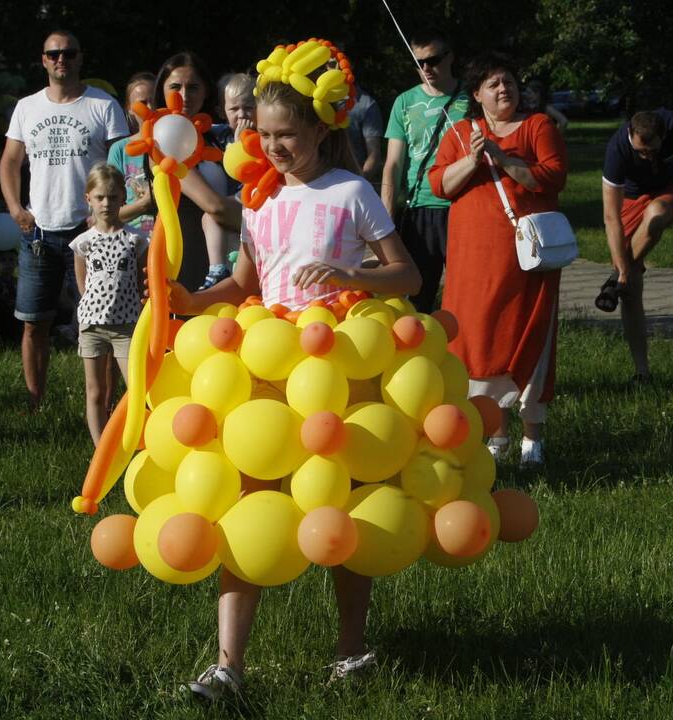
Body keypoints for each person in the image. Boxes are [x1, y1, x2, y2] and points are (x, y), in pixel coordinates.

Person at [168, 58, 421, 703]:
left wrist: (349, 278)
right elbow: (247, 281)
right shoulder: (259, 197)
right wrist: (194, 302)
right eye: (266, 134)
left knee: (341, 502)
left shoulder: (350, 192)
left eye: (288, 134)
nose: (275, 147)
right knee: (245, 497)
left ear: (320, 128)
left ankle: (352, 648)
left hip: (334, 361)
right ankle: (228, 665)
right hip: (267, 358)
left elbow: (408, 276)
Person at [428, 52, 567, 467]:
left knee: (529, 332)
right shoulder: (460, 133)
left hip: (527, 256)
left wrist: (503, 157)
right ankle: (495, 433)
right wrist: (472, 159)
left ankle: (532, 440)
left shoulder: (537, 126)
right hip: (473, 259)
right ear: (477, 94)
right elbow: (440, 184)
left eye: (508, 81)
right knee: (476, 338)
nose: (504, 89)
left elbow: (552, 177)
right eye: (493, 84)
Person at [0, 29, 130, 410]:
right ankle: (34, 401)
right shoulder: (27, 107)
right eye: (53, 53)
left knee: (102, 323)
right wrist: (14, 208)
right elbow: (9, 161)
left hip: (91, 230)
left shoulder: (103, 105)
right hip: (38, 230)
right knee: (33, 321)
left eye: (68, 53)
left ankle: (104, 403)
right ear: (43, 59)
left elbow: (119, 164)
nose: (61, 59)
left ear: (80, 58)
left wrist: (107, 213)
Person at [595, 109, 673, 382]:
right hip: (628, 204)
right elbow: (610, 216)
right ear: (630, 134)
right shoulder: (617, 148)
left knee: (655, 213)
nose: (646, 157)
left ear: (664, 137)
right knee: (629, 290)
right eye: (641, 152)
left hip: (667, 195)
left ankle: (616, 275)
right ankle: (642, 371)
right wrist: (624, 269)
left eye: (652, 151)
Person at [381, 29, 469, 313]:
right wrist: (384, 219)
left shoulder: (472, 98)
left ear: (450, 57)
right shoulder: (404, 102)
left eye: (433, 60)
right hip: (420, 210)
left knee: (465, 294)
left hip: (464, 206)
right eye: (419, 62)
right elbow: (393, 164)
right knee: (416, 298)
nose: (426, 69)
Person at [151, 53, 242, 292]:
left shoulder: (221, 137)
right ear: (161, 91)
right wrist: (273, 228)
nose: (183, 95)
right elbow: (215, 207)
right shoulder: (160, 143)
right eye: (174, 87)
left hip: (236, 262)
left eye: (193, 87)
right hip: (186, 264)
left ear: (206, 92)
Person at [70, 164, 146, 446]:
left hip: (126, 326)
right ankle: (101, 449)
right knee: (95, 390)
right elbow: (82, 284)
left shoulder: (135, 241)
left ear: (123, 198)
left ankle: (134, 441)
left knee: (136, 389)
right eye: (100, 197)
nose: (106, 203)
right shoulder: (83, 243)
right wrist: (91, 312)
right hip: (92, 326)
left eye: (113, 197)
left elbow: (139, 282)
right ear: (88, 198)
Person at [200, 72, 256, 289]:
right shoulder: (220, 135)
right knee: (209, 217)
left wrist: (242, 144)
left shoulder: (264, 135)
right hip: (234, 202)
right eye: (234, 109)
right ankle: (217, 269)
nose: (242, 115)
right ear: (221, 111)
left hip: (254, 202)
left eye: (249, 107)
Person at [108, 72, 156, 235]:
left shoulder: (176, 144)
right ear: (129, 108)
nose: (150, 108)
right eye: (142, 103)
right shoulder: (120, 150)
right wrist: (144, 203)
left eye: (155, 101)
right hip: (132, 239)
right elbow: (107, 212)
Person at [345, 85, 384, 186]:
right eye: (331, 67)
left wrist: (359, 183)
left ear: (352, 67)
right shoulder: (319, 99)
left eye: (342, 67)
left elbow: (374, 154)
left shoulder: (366, 104)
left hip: (351, 179)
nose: (336, 68)